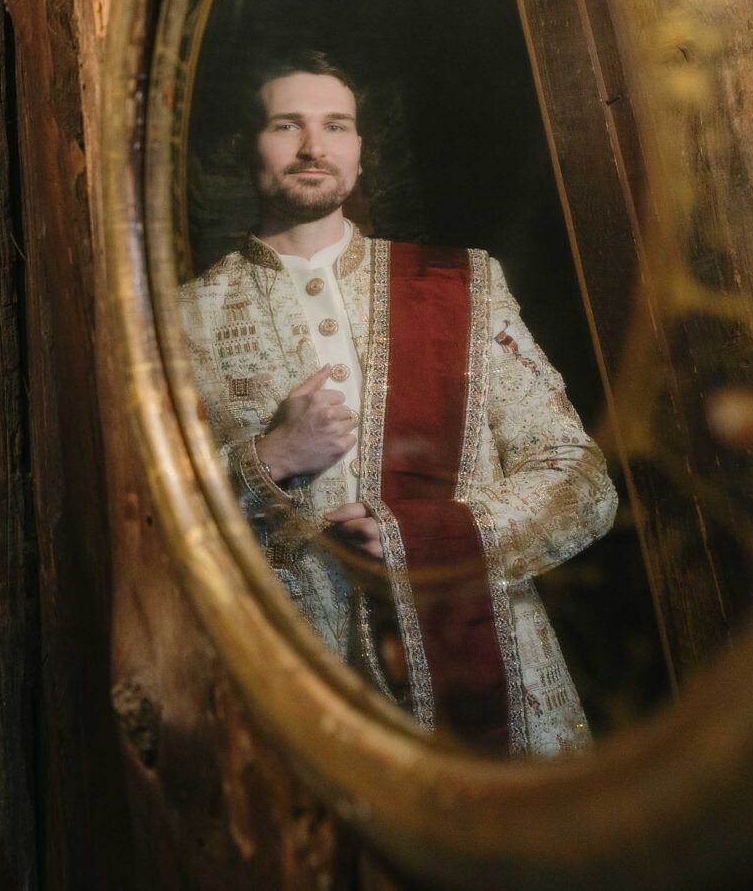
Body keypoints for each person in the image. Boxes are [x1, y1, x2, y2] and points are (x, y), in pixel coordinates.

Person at [178, 50, 615, 756]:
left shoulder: (461, 283)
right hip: (299, 698)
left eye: (337, 126)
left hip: (493, 673)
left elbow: (581, 481)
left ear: (359, 149)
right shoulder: (179, 322)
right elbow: (144, 528)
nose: (315, 146)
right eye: (286, 125)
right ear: (241, 147)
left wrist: (427, 536)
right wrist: (266, 461)